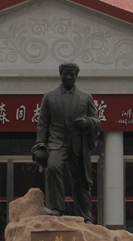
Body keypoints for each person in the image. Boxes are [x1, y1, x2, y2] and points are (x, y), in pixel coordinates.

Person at [32, 62, 101, 224]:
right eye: (65, 74)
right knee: (53, 167)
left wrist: (87, 122)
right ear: (60, 75)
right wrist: (40, 144)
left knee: (81, 179)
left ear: (76, 76)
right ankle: (56, 207)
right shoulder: (50, 96)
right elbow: (43, 123)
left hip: (78, 143)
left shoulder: (85, 97)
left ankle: (85, 216)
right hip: (57, 141)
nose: (68, 77)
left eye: (71, 74)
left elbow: (96, 120)